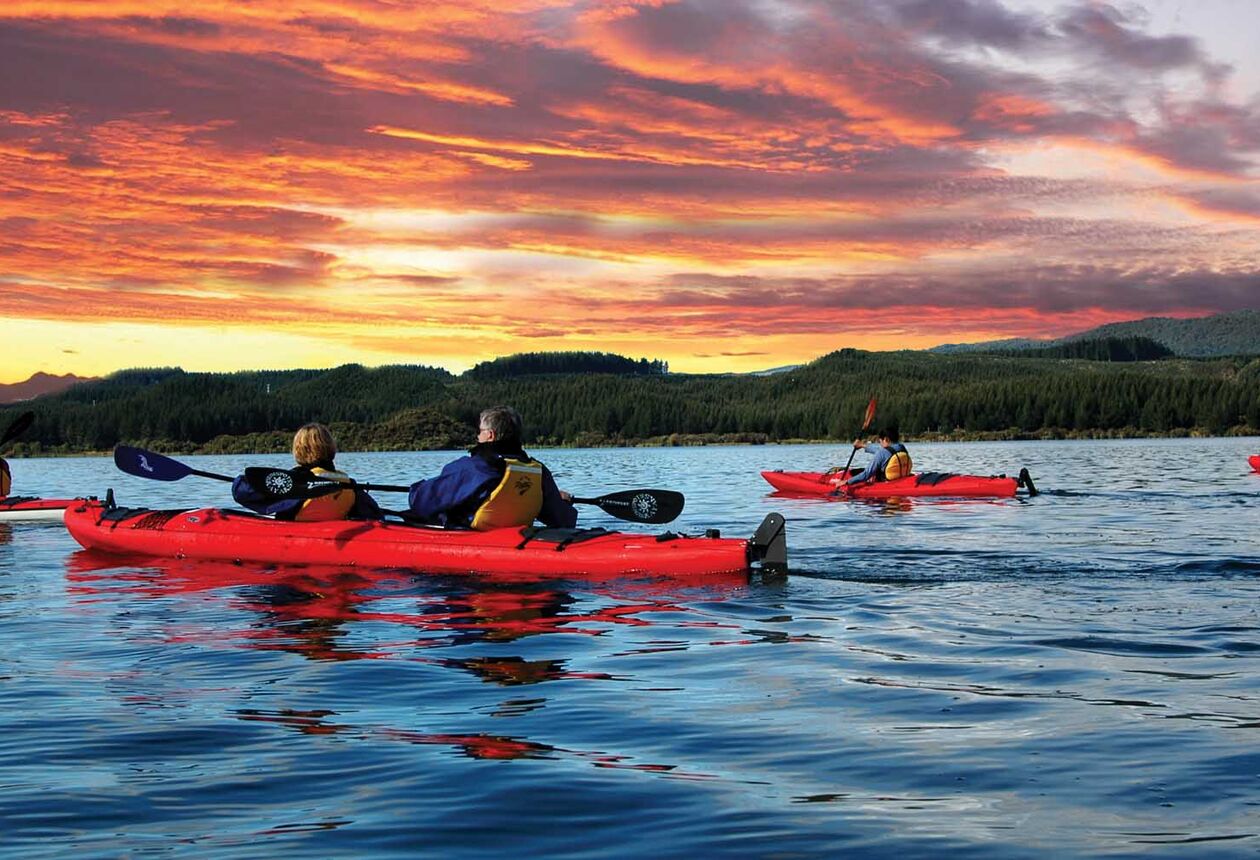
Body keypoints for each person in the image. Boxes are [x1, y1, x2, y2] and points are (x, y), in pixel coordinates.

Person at [408, 406, 577, 530]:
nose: (477, 435)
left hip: (471, 542)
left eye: (480, 431)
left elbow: (420, 502)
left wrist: (416, 489)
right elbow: (564, 521)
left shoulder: (471, 468)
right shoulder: (537, 471)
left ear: (490, 435)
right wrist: (561, 502)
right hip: (514, 542)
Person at [231, 422, 381, 521]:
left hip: (295, 540)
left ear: (298, 451)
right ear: (331, 448)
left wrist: (250, 480)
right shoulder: (349, 485)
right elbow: (375, 515)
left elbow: (241, 491)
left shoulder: (297, 484)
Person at [842, 426, 912, 489]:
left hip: (885, 483)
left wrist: (847, 482)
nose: (880, 445)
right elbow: (882, 451)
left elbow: (866, 475)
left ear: (886, 439)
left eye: (880, 442)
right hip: (900, 478)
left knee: (859, 472)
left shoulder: (882, 453)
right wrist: (862, 445)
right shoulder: (901, 447)